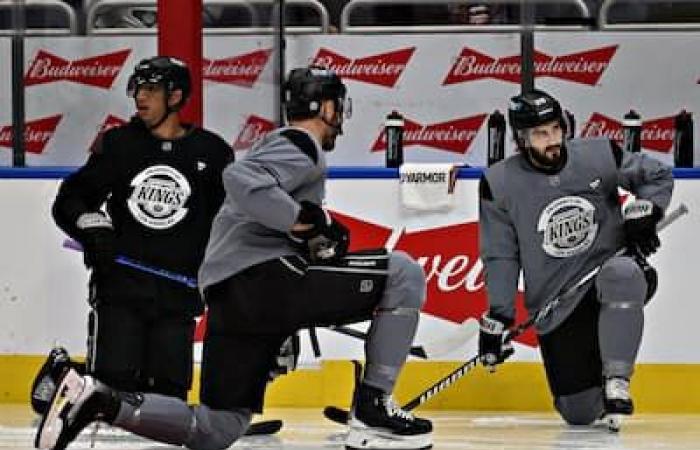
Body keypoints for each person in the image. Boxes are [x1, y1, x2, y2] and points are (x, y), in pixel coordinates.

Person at [35, 66, 433, 450]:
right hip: (262, 279)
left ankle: (100, 399)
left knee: (217, 427)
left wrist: (316, 232)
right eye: (338, 109)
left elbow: (254, 208)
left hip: (231, 295)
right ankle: (373, 407)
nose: (340, 121)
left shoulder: (278, 146)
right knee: (402, 273)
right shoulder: (300, 143)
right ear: (326, 108)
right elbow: (240, 180)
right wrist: (303, 221)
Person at [30, 56, 233, 422]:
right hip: (121, 290)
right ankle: (66, 375)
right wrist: (93, 226)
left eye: (151, 90)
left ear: (175, 97)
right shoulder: (120, 144)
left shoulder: (212, 153)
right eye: (138, 89)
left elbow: (230, 220)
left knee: (167, 398)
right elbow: (71, 200)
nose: (140, 98)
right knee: (114, 391)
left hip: (178, 295)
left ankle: (68, 374)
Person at [477, 89, 673, 430]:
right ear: (521, 139)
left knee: (622, 274)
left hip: (609, 275)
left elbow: (655, 176)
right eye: (541, 134)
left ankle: (616, 381)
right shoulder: (499, 183)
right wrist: (499, 316)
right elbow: (501, 255)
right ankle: (596, 381)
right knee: (578, 414)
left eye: (556, 129)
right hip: (557, 305)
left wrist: (647, 211)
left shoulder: (598, 155)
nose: (553, 140)